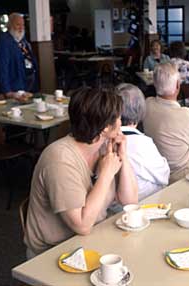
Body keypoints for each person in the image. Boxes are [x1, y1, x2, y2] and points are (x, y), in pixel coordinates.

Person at [24, 87, 138, 257]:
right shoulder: (59, 160)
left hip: (91, 240)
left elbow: (130, 200)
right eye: (119, 118)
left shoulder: (102, 147)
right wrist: (106, 174)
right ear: (106, 127)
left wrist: (123, 155)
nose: (121, 122)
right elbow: (82, 225)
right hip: (54, 254)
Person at [143, 62, 189, 183]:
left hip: (156, 175)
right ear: (178, 85)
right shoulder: (185, 114)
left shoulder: (147, 104)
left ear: (155, 84)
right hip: (182, 178)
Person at [116, 83, 170, 200]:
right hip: (142, 204)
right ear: (140, 110)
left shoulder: (104, 140)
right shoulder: (142, 143)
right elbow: (164, 175)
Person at [0, 13, 38, 101]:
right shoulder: (4, 42)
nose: (21, 28)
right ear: (9, 25)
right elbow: (2, 68)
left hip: (28, 84)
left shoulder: (23, 40)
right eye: (18, 24)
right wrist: (7, 91)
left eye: (23, 25)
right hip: (15, 88)